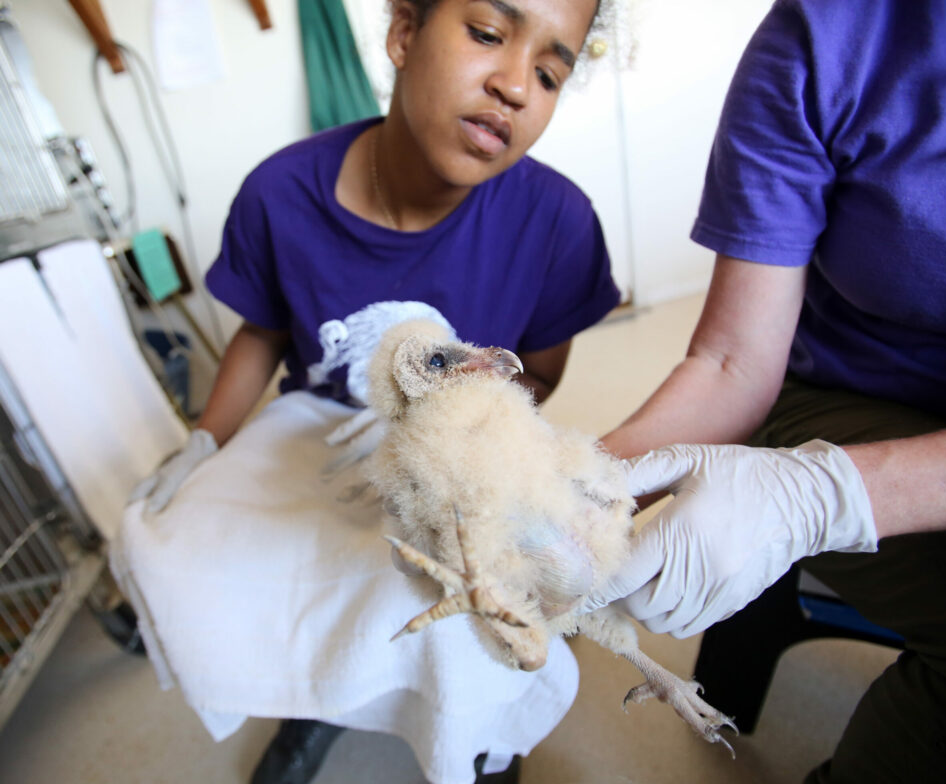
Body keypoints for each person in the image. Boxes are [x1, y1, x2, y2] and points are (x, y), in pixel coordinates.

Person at [122, 2, 618, 783]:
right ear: (403, 34)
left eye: (551, 72)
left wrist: (470, 421)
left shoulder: (557, 222)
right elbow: (261, 332)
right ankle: (310, 698)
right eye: (488, 33)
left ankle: (478, 738)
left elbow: (541, 373)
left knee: (481, 583)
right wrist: (204, 440)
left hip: (453, 446)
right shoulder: (280, 194)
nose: (517, 84)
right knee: (223, 559)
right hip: (316, 429)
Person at [586, 1, 946, 782]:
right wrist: (567, 494)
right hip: (843, 397)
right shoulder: (829, 30)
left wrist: (823, 498)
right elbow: (732, 361)